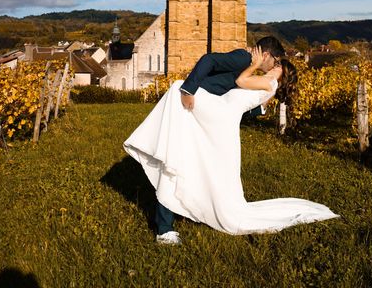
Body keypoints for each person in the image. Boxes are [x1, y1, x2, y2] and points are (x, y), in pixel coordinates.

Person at [123, 39, 339, 245]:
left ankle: (179, 216)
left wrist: (259, 100)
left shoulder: (260, 75)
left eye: (277, 66)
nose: (273, 66)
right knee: (177, 161)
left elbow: (235, 96)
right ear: (266, 55)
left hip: (213, 120)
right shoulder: (243, 59)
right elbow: (209, 61)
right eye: (274, 61)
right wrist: (188, 89)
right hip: (194, 105)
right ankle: (166, 225)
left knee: (186, 164)